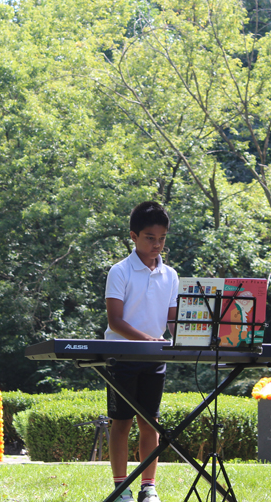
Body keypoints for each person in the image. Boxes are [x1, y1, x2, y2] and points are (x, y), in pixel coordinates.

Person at [105, 201, 179, 502]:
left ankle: (149, 486)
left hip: (154, 358)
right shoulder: (120, 271)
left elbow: (173, 322)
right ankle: (121, 486)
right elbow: (115, 321)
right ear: (134, 237)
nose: (157, 245)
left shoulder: (171, 275)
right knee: (120, 423)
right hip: (121, 357)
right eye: (150, 238)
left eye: (162, 239)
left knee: (150, 423)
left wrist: (190, 339)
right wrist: (148, 339)